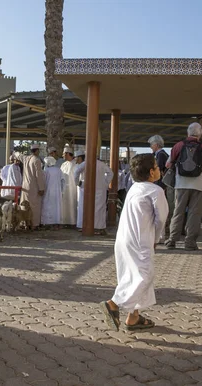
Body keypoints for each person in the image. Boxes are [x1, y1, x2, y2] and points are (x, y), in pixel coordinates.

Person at [99, 154, 168, 331]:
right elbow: (161, 219)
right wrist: (156, 239)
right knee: (144, 275)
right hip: (140, 240)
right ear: (151, 172)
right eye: (157, 167)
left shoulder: (134, 188)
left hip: (124, 238)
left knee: (131, 275)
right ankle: (114, 303)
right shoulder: (156, 191)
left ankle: (134, 317)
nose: (159, 170)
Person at [164, 122, 202, 251]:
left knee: (178, 212)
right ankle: (190, 242)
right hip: (199, 186)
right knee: (195, 214)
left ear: (188, 133)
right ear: (200, 134)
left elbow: (168, 165)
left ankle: (172, 240)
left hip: (181, 185)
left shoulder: (178, 146)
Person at [73, 153, 113, 234]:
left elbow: (76, 172)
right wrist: (105, 183)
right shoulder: (102, 164)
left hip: (86, 188)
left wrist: (78, 183)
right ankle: (98, 227)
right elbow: (111, 173)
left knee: (84, 207)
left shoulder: (85, 164)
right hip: (100, 189)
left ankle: (83, 226)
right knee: (99, 208)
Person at [15, 144, 46, 229]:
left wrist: (14, 154)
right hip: (34, 187)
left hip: (25, 186)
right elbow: (38, 175)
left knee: (24, 205)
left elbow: (17, 154)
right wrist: (41, 188)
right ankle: (34, 224)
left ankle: (24, 223)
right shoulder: (37, 160)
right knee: (34, 206)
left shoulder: (25, 158)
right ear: (37, 151)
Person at [148, 135, 172, 237]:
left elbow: (156, 171)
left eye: (151, 145)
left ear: (156, 145)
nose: (151, 147)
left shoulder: (160, 155)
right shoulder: (163, 154)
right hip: (163, 185)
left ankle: (161, 233)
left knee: (159, 209)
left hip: (161, 185)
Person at [41, 156, 64, 229]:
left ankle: (47, 223)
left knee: (48, 207)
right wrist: (62, 191)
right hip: (57, 192)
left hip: (48, 191)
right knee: (56, 208)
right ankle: (56, 223)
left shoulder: (46, 170)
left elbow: (43, 181)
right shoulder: (59, 170)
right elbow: (63, 181)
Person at [60, 146, 78, 227]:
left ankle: (73, 222)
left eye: (64, 154)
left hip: (72, 189)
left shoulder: (75, 164)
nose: (63, 155)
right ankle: (64, 222)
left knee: (72, 204)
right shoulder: (63, 164)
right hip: (64, 188)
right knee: (64, 205)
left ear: (67, 154)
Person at [74, 150, 85, 229]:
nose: (75, 159)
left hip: (82, 187)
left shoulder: (82, 165)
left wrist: (77, 183)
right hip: (82, 187)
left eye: (76, 158)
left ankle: (81, 225)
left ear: (80, 158)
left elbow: (76, 174)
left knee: (81, 206)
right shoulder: (81, 165)